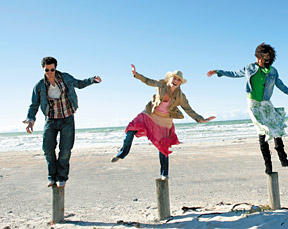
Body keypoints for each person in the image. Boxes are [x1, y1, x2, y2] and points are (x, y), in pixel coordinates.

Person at [207, 43, 288, 174]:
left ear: (269, 59)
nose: (260, 61)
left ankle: (283, 159)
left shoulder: (272, 71)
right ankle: (268, 165)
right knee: (262, 130)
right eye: (259, 57)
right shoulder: (249, 67)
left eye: (264, 58)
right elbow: (234, 73)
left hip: (266, 103)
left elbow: (282, 86)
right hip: (253, 103)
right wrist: (218, 72)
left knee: (276, 126)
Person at [111, 64, 215, 180]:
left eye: (178, 80)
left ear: (180, 83)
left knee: (163, 146)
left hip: (164, 120)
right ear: (170, 79)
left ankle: (164, 173)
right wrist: (136, 74)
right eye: (174, 78)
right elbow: (148, 81)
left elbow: (188, 110)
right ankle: (122, 154)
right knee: (130, 130)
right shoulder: (161, 84)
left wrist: (200, 119)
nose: (176, 81)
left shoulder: (181, 96)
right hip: (150, 114)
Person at [24, 56, 102, 188]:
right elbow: (34, 105)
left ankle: (61, 177)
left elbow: (79, 83)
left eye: (52, 69)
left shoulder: (66, 78)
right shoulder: (39, 86)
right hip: (51, 120)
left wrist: (92, 80)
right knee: (48, 149)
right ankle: (52, 176)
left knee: (65, 150)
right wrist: (30, 120)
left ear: (55, 68)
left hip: (67, 118)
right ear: (43, 69)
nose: (49, 72)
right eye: (47, 70)